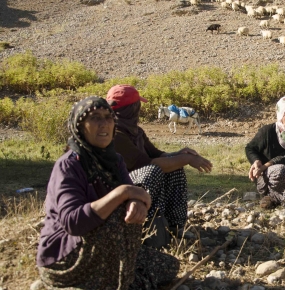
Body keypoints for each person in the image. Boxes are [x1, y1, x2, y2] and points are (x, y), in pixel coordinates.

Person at [36, 96, 180, 289]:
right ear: (79, 126)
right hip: (65, 257)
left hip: (104, 249)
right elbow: (73, 223)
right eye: (95, 117)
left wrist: (136, 201)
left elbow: (136, 193)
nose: (104, 124)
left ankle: (114, 278)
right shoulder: (68, 166)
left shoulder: (115, 161)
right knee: (116, 217)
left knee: (170, 266)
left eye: (108, 117)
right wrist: (123, 193)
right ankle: (113, 282)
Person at [106, 85, 212, 247]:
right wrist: (184, 159)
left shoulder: (135, 131)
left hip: (133, 186)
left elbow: (156, 154)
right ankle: (151, 228)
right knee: (153, 171)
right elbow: (149, 164)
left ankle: (175, 226)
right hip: (118, 192)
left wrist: (180, 154)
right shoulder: (116, 135)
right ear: (133, 109)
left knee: (174, 167)